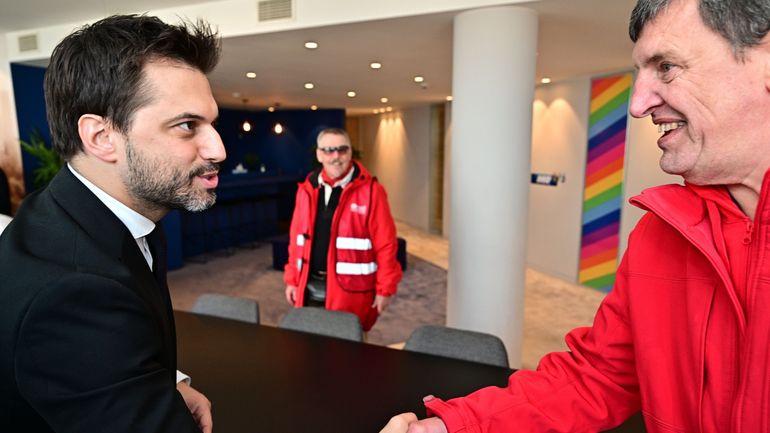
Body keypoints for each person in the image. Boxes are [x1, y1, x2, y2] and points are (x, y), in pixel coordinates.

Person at [380, 0, 770, 431]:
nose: (638, 104)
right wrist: (448, 427)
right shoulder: (659, 235)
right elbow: (597, 378)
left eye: (667, 67)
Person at [0, 15, 225, 433]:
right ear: (101, 137)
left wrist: (162, 383)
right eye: (186, 126)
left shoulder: (69, 214)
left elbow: (82, 363)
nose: (218, 147)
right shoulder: (72, 291)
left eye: (211, 123)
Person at [284, 128, 402, 332]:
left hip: (351, 293)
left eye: (342, 149)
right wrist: (293, 280)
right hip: (310, 287)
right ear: (319, 155)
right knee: (311, 349)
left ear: (350, 152)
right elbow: (296, 241)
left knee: (349, 356)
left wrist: (385, 289)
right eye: (328, 150)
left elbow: (387, 245)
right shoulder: (306, 189)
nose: (336, 156)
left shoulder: (372, 191)